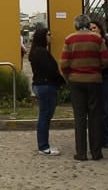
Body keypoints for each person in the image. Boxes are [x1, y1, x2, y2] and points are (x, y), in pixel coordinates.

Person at [60, 14, 108, 161]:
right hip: (94, 81)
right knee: (95, 116)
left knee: (80, 118)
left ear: (75, 25)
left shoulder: (69, 39)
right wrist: (97, 68)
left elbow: (64, 63)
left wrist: (68, 77)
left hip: (76, 81)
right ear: (88, 24)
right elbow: (106, 59)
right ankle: (96, 152)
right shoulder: (97, 39)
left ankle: (81, 153)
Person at [29, 27, 66, 155]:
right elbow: (50, 70)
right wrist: (62, 80)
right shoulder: (41, 53)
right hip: (46, 86)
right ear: (42, 36)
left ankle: (43, 145)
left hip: (40, 85)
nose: (50, 37)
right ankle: (44, 146)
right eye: (48, 34)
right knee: (45, 116)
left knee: (45, 115)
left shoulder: (36, 51)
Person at [90, 18, 108, 149]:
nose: (92, 30)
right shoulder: (88, 44)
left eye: (94, 28)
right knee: (95, 108)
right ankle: (97, 137)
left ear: (100, 29)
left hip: (105, 77)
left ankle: (107, 138)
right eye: (90, 28)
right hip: (93, 78)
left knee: (105, 108)